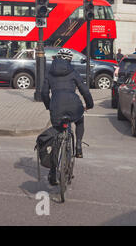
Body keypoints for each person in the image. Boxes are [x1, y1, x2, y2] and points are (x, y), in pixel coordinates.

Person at [41, 48, 94, 186]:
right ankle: (78, 147)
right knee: (79, 120)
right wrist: (89, 105)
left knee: (56, 139)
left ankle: (53, 172)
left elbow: (44, 93)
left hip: (56, 106)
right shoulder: (73, 72)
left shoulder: (50, 72)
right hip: (73, 104)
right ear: (69, 60)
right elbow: (84, 90)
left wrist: (49, 106)